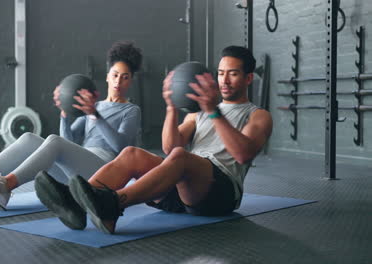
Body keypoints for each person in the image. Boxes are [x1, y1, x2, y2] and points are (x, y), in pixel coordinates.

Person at [35, 45, 273, 234]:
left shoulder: (258, 115)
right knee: (131, 153)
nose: (225, 80)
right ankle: (74, 203)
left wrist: (213, 112)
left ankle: (112, 204)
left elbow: (243, 154)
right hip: (182, 185)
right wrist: (170, 108)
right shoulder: (198, 111)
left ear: (249, 78)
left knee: (181, 157)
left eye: (233, 74)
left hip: (219, 193)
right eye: (221, 73)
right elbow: (169, 147)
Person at [0, 41, 143, 214]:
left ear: (131, 81)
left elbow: (120, 146)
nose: (118, 81)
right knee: (29, 138)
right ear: (107, 76)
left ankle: (5, 186)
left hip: (105, 173)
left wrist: (94, 116)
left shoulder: (130, 110)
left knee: (53, 141)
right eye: (115, 74)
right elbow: (68, 141)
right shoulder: (94, 107)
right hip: (79, 172)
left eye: (125, 77)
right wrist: (64, 113)